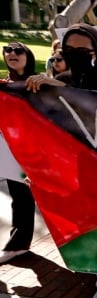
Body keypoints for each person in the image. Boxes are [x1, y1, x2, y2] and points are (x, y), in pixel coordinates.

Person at [25, 23, 97, 298]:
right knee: (90, 229)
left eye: (83, 51)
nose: (76, 56)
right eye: (69, 51)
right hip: (72, 167)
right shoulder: (59, 80)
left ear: (96, 51)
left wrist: (63, 91)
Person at [0, 42, 37, 264]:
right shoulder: (4, 84)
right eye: (7, 50)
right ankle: (18, 244)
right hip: (9, 150)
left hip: (35, 152)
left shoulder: (38, 83)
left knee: (29, 197)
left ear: (28, 56)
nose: (11, 53)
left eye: (18, 50)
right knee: (20, 197)